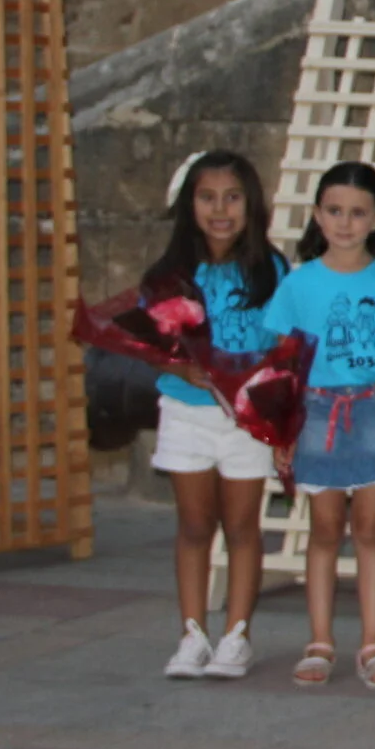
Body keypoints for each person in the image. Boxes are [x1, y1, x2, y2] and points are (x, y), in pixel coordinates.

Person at [261, 161, 375, 691]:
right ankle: (321, 640)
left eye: (358, 213)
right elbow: (278, 364)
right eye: (334, 211)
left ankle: (374, 641)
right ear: (317, 215)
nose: (345, 223)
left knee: (371, 529)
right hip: (316, 414)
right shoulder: (298, 282)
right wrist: (281, 430)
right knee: (325, 528)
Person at [150, 152, 287, 681]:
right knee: (193, 524)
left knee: (242, 525)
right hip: (186, 413)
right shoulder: (171, 273)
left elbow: (283, 345)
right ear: (190, 205)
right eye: (207, 198)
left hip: (248, 419)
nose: (220, 209)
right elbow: (153, 342)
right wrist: (178, 367)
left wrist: (270, 403)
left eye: (232, 197)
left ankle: (236, 635)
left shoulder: (271, 269)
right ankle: (192, 633)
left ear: (251, 204)